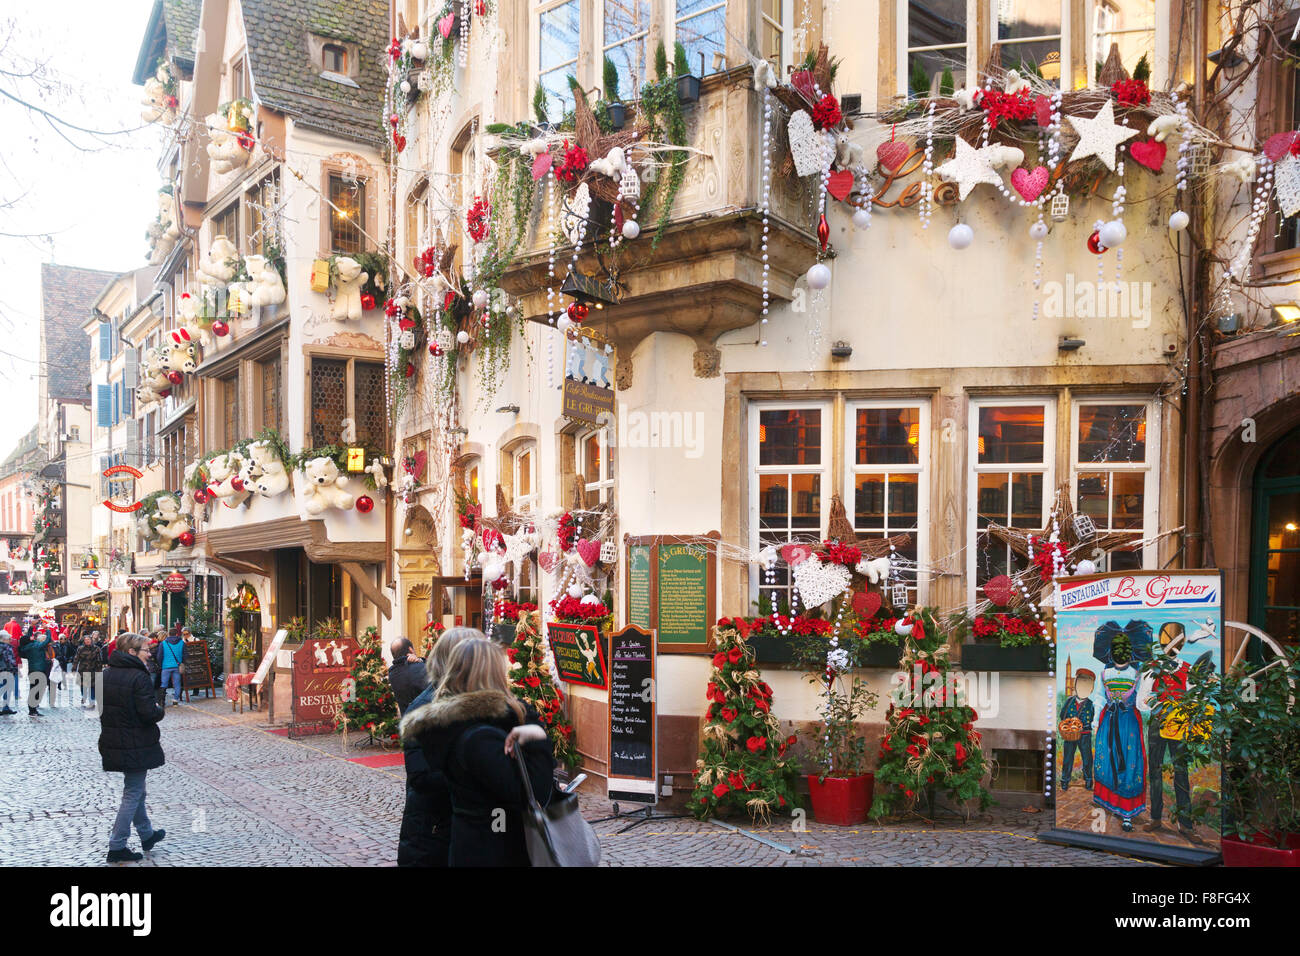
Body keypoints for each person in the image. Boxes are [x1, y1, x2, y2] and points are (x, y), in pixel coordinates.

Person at [405, 636, 555, 867]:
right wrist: (538, 740)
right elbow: (533, 795)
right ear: (491, 672)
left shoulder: (459, 724)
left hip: (472, 842)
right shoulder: (479, 736)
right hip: (493, 849)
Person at [395, 628, 473, 867]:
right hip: (434, 832)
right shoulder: (424, 710)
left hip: (475, 828)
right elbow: (422, 777)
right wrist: (476, 775)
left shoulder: (487, 703)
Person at [99, 633, 166, 863]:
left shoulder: (105, 674)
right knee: (133, 792)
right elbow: (149, 713)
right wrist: (159, 708)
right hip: (135, 742)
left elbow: (102, 709)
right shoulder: (139, 677)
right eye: (145, 650)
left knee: (137, 789)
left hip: (115, 739)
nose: (149, 653)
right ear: (131, 652)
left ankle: (147, 834)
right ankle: (117, 845)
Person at [1092, 623, 1153, 833]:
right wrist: (1094, 721)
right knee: (1109, 760)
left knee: (1128, 763)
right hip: (1111, 721)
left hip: (1127, 724)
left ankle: (1126, 810)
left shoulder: (1138, 675)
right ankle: (1110, 801)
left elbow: (1143, 703)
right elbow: (1099, 698)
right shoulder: (1105, 674)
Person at [1058, 668, 1096, 792]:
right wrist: (1070, 724)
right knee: (1068, 758)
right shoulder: (1069, 701)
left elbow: (1094, 718)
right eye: (1080, 684)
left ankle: (1088, 779)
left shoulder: (1091, 704)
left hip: (1085, 734)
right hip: (1070, 735)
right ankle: (1065, 780)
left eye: (1087, 686)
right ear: (1075, 685)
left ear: (1091, 689)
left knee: (1087, 758)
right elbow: (1062, 715)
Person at [387, 637, 428, 716]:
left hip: (406, 721)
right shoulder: (420, 668)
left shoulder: (392, 673)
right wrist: (421, 662)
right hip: (425, 720)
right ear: (411, 650)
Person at [18, 627, 52, 717]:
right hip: (38, 670)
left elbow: (26, 639)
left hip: (33, 670)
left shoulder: (26, 647)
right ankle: (32, 710)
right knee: (35, 690)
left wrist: (31, 628)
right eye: (31, 637)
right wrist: (47, 630)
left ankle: (33, 709)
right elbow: (47, 640)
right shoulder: (35, 646)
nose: (32, 637)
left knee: (34, 689)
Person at [74, 631, 105, 707]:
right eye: (86, 640)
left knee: (92, 685)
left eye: (89, 640)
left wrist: (99, 669)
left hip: (93, 669)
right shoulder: (80, 649)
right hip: (83, 669)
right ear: (84, 641)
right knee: (83, 685)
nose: (87, 641)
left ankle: (92, 700)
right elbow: (76, 659)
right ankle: (83, 696)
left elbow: (100, 659)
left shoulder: (96, 649)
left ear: (91, 640)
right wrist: (74, 668)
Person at [156, 627, 185, 706]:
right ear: (176, 634)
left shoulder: (163, 643)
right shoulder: (182, 643)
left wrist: (160, 664)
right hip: (177, 665)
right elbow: (185, 654)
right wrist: (182, 662)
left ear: (168, 634)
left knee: (164, 683)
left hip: (166, 666)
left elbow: (159, 656)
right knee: (177, 684)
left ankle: (162, 701)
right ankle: (175, 700)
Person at [0, 633, 17, 715]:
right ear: (4, 639)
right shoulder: (6, 647)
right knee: (7, 689)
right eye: (9, 639)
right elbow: (9, 659)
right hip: (6, 670)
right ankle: (5, 707)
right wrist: (14, 669)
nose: (10, 640)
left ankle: (5, 707)